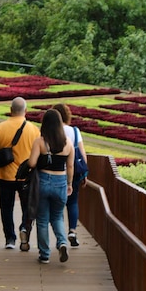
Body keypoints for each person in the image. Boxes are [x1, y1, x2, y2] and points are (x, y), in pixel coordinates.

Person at [0, 97, 40, 250]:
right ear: (26, 111)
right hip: (26, 177)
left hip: (5, 176)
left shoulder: (0, 128)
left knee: (6, 208)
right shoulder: (34, 129)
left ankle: (10, 239)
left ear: (10, 111)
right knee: (27, 207)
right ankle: (24, 228)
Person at [28, 108, 74, 264]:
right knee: (57, 217)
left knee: (42, 220)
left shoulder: (40, 142)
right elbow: (70, 166)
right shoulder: (68, 143)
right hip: (60, 182)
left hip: (43, 180)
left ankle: (45, 254)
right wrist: (69, 184)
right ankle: (62, 242)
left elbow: (32, 163)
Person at [53, 103, 88, 248]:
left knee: (58, 205)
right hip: (72, 172)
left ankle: (60, 235)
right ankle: (72, 230)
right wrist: (85, 172)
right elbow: (82, 152)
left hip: (55, 171)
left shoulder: (52, 130)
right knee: (73, 202)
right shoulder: (74, 131)